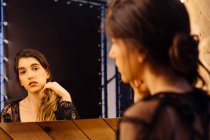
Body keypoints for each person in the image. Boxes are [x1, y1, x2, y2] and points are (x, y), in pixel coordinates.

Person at [106, 0, 210, 139]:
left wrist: (141, 108)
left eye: (114, 43)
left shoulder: (142, 119)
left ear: (140, 49)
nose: (111, 53)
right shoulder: (204, 105)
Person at [1, 49, 79, 122]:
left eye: (35, 68)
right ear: (20, 81)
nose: (30, 76)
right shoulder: (9, 112)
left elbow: (76, 135)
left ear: (47, 73)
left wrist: (65, 95)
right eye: (23, 72)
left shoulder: (63, 106)